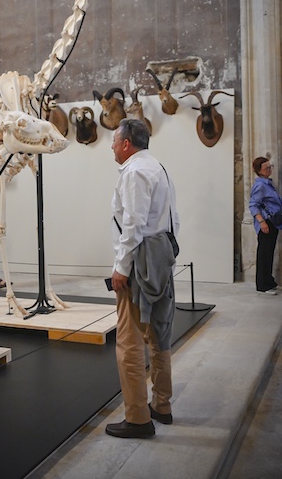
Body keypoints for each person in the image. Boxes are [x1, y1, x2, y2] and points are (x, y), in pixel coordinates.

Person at [106, 118, 179, 439]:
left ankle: (137, 418)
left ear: (126, 144)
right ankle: (162, 405)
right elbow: (173, 218)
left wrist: (121, 267)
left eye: (113, 141)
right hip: (161, 257)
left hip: (139, 262)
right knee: (159, 334)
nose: (111, 147)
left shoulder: (134, 172)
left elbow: (133, 225)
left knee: (129, 340)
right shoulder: (158, 168)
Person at [249, 157, 282, 295]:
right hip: (266, 222)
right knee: (264, 254)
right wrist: (261, 222)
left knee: (269, 253)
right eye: (266, 168)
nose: (269, 170)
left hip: (273, 221)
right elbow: (253, 205)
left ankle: (269, 281)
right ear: (259, 171)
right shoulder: (260, 186)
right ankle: (263, 285)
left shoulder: (268, 183)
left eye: (270, 167)